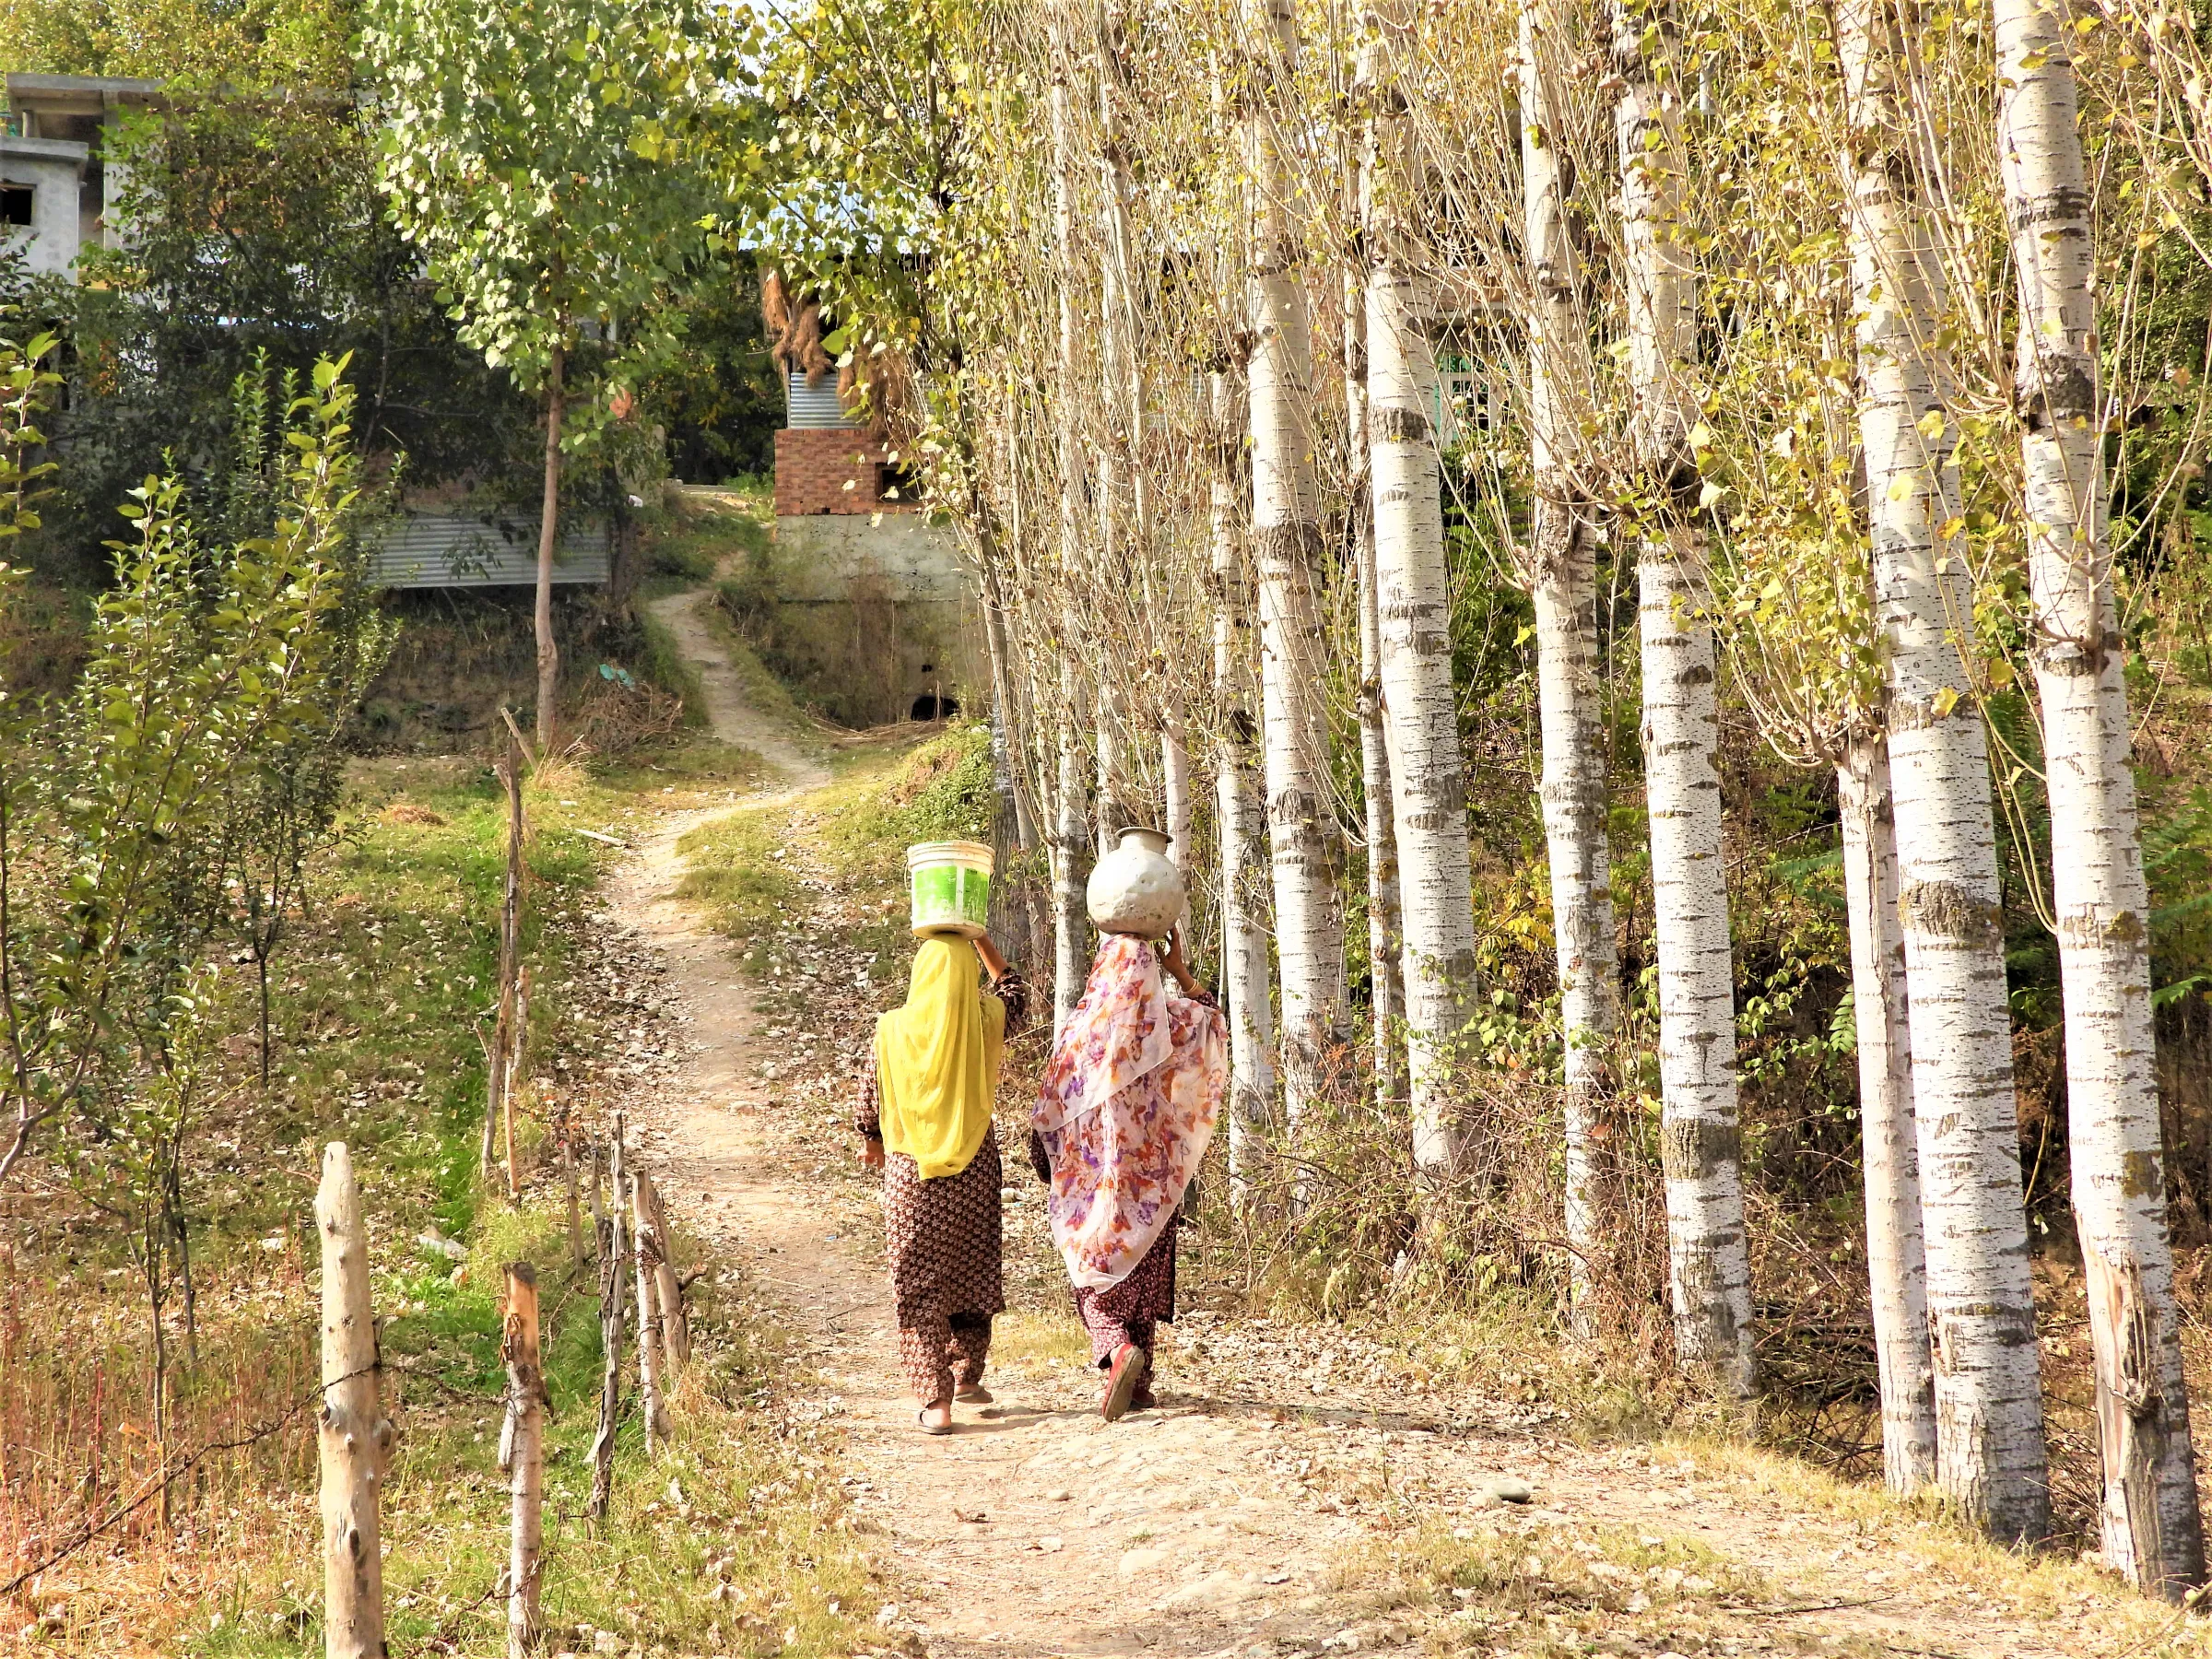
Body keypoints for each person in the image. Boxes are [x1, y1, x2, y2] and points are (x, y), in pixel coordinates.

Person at [1031, 924, 1226, 1421]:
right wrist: (1180, 969)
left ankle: (1118, 1350)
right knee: (1145, 1265)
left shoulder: (1079, 1033)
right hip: (1152, 1187)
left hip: (1092, 1186)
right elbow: (1217, 1020)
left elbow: (1049, 1110)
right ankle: (1140, 1384)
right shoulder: (1171, 1025)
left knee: (1094, 1273)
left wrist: (1047, 1165)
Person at [855, 927, 1027, 1435]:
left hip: (912, 1175)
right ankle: (967, 1375)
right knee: (971, 1272)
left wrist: (872, 1140)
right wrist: (983, 942)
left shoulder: (891, 1029)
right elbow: (1015, 991)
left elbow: (871, 1098)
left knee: (920, 1286)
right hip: (975, 1168)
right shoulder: (986, 1021)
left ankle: (936, 1400)